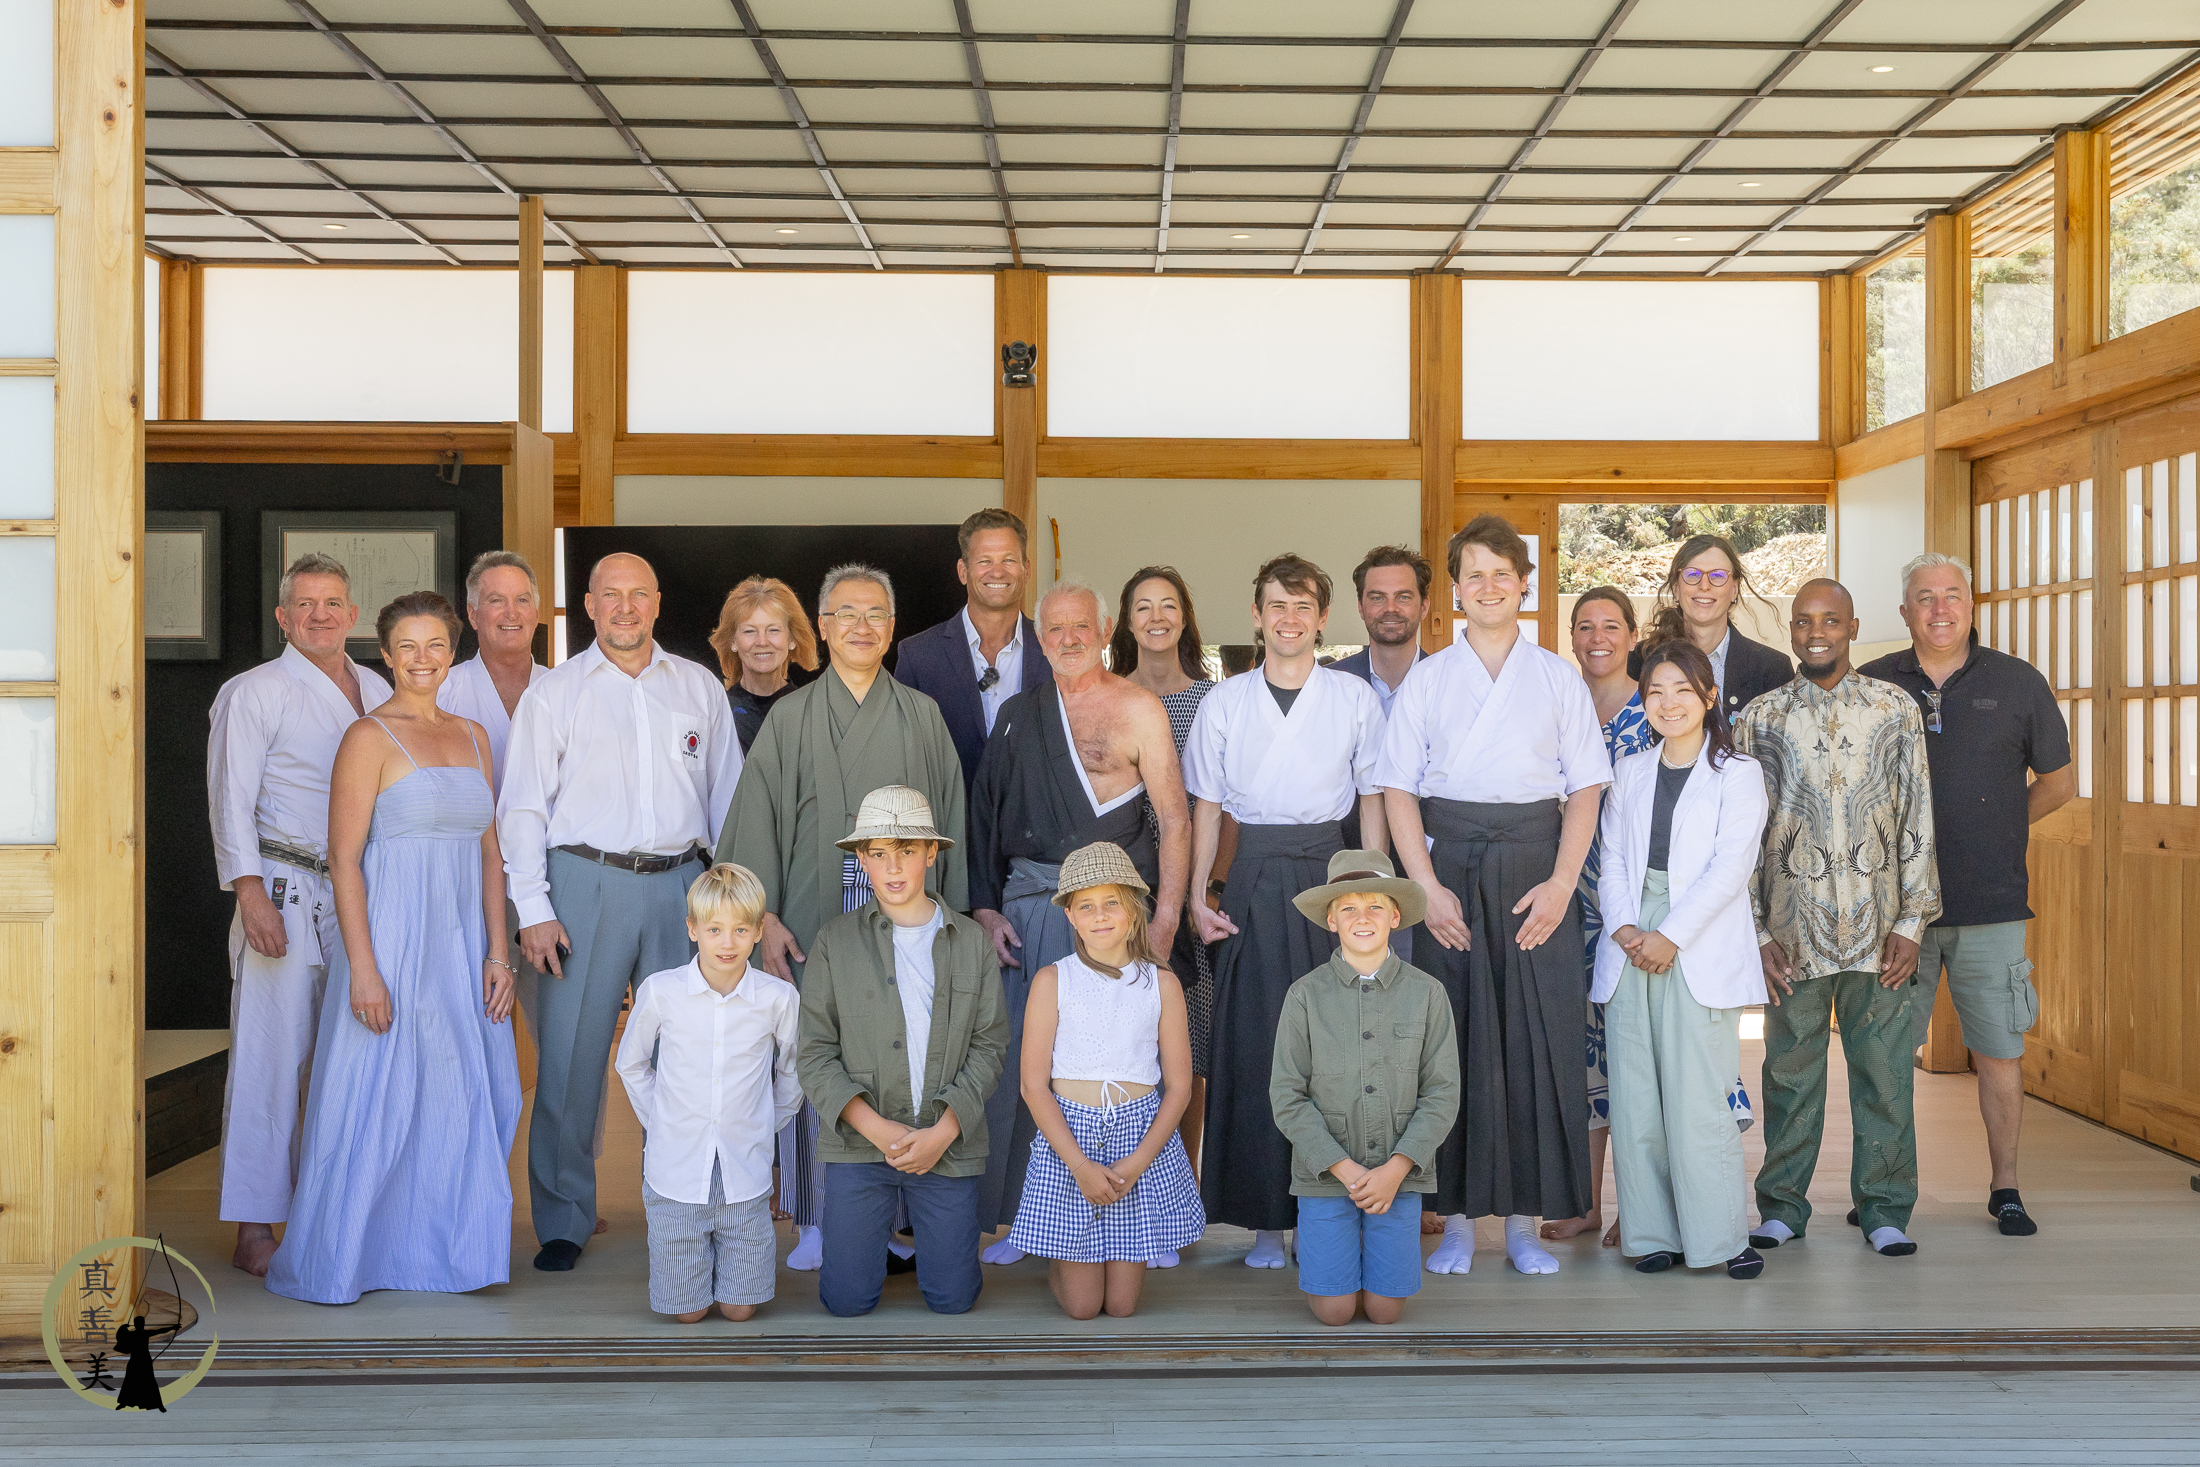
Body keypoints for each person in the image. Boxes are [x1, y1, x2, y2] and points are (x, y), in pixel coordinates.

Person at [267, 592, 521, 1304]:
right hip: (394, 939)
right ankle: (356, 1257)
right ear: (386, 655)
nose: (422, 658)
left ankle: (453, 1254)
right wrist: (364, 970)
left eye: (435, 644)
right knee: (377, 1094)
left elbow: (491, 854)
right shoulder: (367, 737)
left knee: (472, 1090)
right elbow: (344, 860)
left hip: (463, 944)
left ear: (452, 651)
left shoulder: (475, 736)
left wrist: (498, 953)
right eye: (407, 645)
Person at [1375, 515, 1612, 1278]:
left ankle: (1522, 1222)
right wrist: (1424, 888)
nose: (1487, 587)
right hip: (1449, 872)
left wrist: (1563, 884)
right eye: (1472, 574)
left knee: (1535, 1044)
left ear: (1524, 585)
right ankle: (1454, 1221)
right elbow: (1397, 788)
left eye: (1501, 574)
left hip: (1537, 870)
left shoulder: (1557, 677)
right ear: (1454, 590)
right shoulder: (1429, 678)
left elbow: (1586, 788)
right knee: (1450, 1044)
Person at [720, 564, 968, 1272]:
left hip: (909, 914)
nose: (862, 627)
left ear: (892, 629)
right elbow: (756, 821)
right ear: (822, 628)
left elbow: (951, 820)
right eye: (846, 614)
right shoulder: (792, 717)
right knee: (816, 1060)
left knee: (904, 1057)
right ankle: (815, 1219)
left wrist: (951, 920)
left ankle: (895, 1218)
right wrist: (765, 917)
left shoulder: (921, 715)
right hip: (811, 915)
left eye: (875, 614)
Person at [499, 551, 741, 1273]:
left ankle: (687, 1211)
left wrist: (729, 901)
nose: (626, 607)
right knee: (571, 1058)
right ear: (590, 604)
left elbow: (726, 798)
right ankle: (564, 1219)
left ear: (657, 603)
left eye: (639, 594)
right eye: (612, 594)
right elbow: (522, 807)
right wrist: (532, 907)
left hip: (682, 886)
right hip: (583, 883)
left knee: (688, 1056)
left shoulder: (697, 686)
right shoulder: (554, 693)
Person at [966, 579, 1191, 1264]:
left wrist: (1166, 918)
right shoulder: (1018, 714)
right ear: (1040, 639)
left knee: (1130, 1056)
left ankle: (1143, 1215)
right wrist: (985, 907)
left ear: (1104, 630)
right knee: (1032, 1060)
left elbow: (1175, 818)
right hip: (1033, 903)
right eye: (1055, 628)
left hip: (1119, 914)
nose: (1068, 638)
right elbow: (984, 815)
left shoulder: (1138, 708)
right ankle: (1026, 1218)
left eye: (1080, 626)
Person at [1861, 551, 2073, 1238]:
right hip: (1896, 914)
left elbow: (2059, 783)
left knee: (1999, 1052)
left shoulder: (2017, 682)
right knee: (1885, 1056)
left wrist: (2002, 825)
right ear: (1905, 611)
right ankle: (1882, 1191)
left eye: (1952, 594)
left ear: (1972, 604)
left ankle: (2005, 1187)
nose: (1940, 608)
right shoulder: (1873, 683)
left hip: (1991, 906)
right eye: (1925, 597)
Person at [1187, 554, 1387, 1270]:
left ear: (1323, 618)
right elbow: (1207, 808)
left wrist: (1375, 889)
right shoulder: (1225, 702)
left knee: (1334, 1048)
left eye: (1303, 606)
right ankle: (1264, 1222)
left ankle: (1321, 1214)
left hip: (1331, 877)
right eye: (1277, 605)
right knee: (1256, 1045)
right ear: (1256, 614)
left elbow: (1372, 798)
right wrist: (1198, 896)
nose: (1290, 619)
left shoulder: (1354, 698)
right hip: (1253, 875)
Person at [1736, 578, 1940, 1259]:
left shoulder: (1894, 708)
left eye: (1830, 620)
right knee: (1788, 1074)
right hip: (1791, 934)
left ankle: (1884, 1208)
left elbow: (1917, 812)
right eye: (1803, 621)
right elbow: (1742, 834)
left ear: (1853, 626)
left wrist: (1912, 921)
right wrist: (1756, 931)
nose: (1815, 631)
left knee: (1885, 1074)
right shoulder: (1760, 718)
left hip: (1880, 933)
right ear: (1790, 630)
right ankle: (1781, 1208)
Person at [206, 552, 392, 1276]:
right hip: (283, 881)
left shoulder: (377, 687)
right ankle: (255, 1225)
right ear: (284, 618)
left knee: (355, 1057)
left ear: (353, 615)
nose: (320, 615)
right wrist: (249, 892)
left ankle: (339, 1212)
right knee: (271, 1057)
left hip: (359, 891)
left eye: (333, 603)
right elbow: (230, 797)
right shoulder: (254, 691)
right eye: (306, 604)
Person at [1594, 641, 1770, 1281]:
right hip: (1630, 936)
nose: (1668, 703)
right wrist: (1624, 927)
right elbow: (1612, 857)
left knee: (1701, 1096)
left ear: (1709, 697)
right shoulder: (1630, 770)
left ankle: (1721, 1238)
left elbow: (1731, 867)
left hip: (1696, 937)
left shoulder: (1739, 773)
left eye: (1682, 691)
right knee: (1636, 1095)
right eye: (1655, 692)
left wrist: (1669, 935)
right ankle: (1650, 1236)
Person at [796, 786, 1008, 1318]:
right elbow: (814, 1054)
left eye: (907, 850)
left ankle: (928, 1248)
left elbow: (989, 1046)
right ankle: (874, 1251)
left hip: (946, 1140)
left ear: (932, 853)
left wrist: (943, 1131)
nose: (893, 867)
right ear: (861, 858)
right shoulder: (834, 941)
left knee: (953, 1300)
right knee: (845, 1301)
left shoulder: (971, 942)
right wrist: (875, 1129)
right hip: (861, 1142)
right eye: (879, 852)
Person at [1007, 843, 1204, 1315]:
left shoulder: (1162, 983)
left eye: (1111, 902)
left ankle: (1093, 1261)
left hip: (1138, 1136)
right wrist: (1078, 1165)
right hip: (1070, 1137)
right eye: (1086, 906)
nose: (1099, 916)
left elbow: (1179, 1088)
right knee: (1082, 1306)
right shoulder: (1053, 980)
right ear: (1070, 917)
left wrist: (1136, 1164)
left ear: (1133, 910)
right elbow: (1032, 1085)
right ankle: (1060, 1259)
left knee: (1120, 1306)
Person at [1270, 850, 1459, 1326]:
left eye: (1375, 906)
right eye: (1349, 908)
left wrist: (1396, 1168)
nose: (1363, 917)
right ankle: (1329, 1255)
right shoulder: (1304, 995)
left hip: (1399, 1176)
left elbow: (1442, 1093)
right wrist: (1344, 1168)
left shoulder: (1428, 993)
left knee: (1384, 1311)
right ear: (1331, 920)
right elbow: (1287, 1096)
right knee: (1334, 1312)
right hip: (1325, 1175)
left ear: (1395, 916)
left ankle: (1357, 1260)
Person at [615, 863, 801, 1323]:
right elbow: (631, 1063)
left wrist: (766, 1121)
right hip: (674, 1173)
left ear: (759, 931)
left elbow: (794, 1070)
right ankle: (694, 1273)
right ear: (692, 929)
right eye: (714, 929)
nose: (727, 942)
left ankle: (730, 1270)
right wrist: (660, 1120)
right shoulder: (662, 992)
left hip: (745, 1171)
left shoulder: (777, 998)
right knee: (690, 1313)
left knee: (739, 1311)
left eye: (741, 930)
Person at [1109, 565, 1218, 1168]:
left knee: (1189, 1047)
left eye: (1168, 605)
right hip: (1121, 885)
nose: (1157, 617)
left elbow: (1225, 804)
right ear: (1126, 622)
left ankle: (1184, 1182)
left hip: (1191, 889)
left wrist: (1207, 890)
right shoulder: (1108, 696)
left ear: (1184, 618)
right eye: (1144, 606)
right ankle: (1130, 1177)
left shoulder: (1212, 700)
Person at [893, 508, 1047, 785]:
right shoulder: (917, 656)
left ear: (1027, 569)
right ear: (963, 571)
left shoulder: (1052, 650)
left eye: (1009, 560)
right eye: (985, 561)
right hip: (949, 811)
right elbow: (902, 757)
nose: (997, 572)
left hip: (1035, 812)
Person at [1632, 532, 1794, 721]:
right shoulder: (1639, 661)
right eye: (1692, 574)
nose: (1704, 585)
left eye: (1717, 576)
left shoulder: (1772, 670)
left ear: (1734, 589)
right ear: (1676, 588)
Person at [436, 550, 547, 792]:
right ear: (472, 614)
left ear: (536, 614)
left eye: (522, 600)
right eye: (496, 600)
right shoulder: (442, 692)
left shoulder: (563, 689)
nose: (511, 613)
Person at [708, 575, 820, 756]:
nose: (762, 641)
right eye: (749, 631)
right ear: (733, 641)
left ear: (792, 639)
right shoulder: (719, 712)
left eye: (773, 630)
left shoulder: (812, 712)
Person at [1328, 545, 1429, 718]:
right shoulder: (1329, 683)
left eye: (1403, 597)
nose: (1390, 608)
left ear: (1424, 607)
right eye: (1377, 598)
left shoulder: (1448, 683)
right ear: (1361, 607)